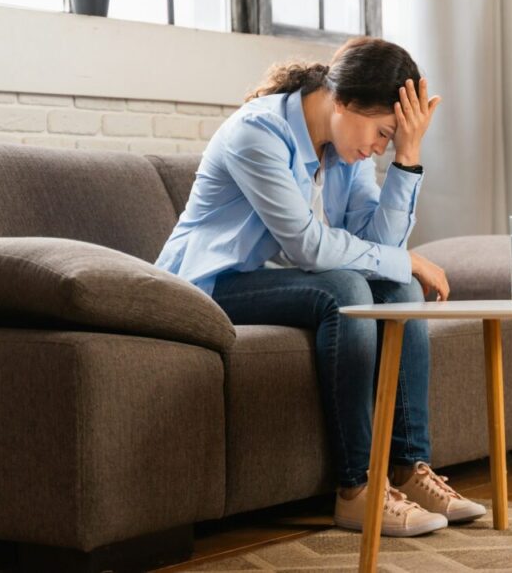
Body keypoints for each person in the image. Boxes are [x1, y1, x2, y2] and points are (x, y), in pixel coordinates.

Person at [155, 36, 485, 537]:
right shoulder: (257, 132)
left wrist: (408, 156)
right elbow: (310, 248)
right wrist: (403, 259)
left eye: (389, 140)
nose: (379, 147)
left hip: (263, 284)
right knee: (346, 292)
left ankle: (409, 468)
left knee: (400, 292)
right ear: (345, 101)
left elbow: (378, 247)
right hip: (203, 288)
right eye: (383, 133)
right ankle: (357, 488)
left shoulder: (343, 153)